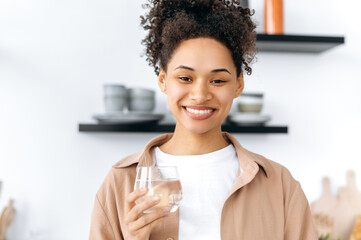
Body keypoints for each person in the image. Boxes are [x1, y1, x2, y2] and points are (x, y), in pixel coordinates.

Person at [89, 0, 318, 239]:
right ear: (163, 80)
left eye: (218, 80)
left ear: (238, 84)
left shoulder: (279, 185)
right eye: (185, 78)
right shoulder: (121, 182)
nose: (200, 95)